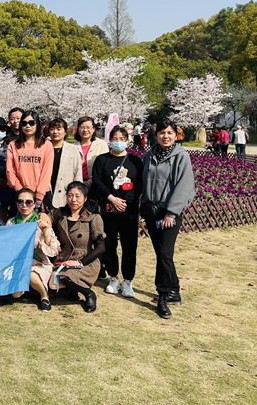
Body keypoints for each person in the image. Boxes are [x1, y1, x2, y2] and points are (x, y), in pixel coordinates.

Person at [141, 120, 195, 319]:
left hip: (169, 212)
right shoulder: (149, 155)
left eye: (170, 133)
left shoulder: (181, 156)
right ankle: (174, 289)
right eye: (162, 132)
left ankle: (163, 295)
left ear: (175, 135)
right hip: (152, 211)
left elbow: (185, 186)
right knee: (162, 254)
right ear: (156, 135)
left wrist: (171, 213)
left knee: (165, 253)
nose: (166, 136)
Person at [91, 126, 143, 299]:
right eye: (114, 138)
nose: (118, 142)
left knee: (129, 246)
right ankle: (113, 277)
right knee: (109, 244)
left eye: (122, 138)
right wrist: (111, 199)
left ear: (127, 140)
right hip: (108, 209)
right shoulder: (102, 159)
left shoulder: (135, 161)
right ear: (109, 140)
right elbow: (97, 181)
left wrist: (124, 203)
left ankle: (127, 280)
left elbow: (139, 185)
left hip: (128, 211)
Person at [44, 181, 105, 313]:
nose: (73, 199)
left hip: (86, 261)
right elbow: (46, 217)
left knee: (65, 277)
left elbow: (101, 247)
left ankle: (89, 294)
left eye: (78, 196)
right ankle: (71, 291)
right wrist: (43, 217)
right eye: (70, 195)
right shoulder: (59, 214)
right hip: (64, 259)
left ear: (85, 198)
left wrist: (80, 263)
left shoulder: (93, 218)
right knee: (52, 285)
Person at [8, 188, 59, 312]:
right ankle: (28, 290)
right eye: (20, 202)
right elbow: (8, 248)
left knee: (31, 275)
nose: (24, 205)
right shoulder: (11, 223)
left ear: (35, 204)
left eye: (28, 202)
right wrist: (26, 260)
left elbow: (54, 250)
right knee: (15, 295)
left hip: (40, 263)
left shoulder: (41, 222)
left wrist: (46, 232)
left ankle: (44, 296)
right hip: (18, 262)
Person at [6, 111, 54, 210]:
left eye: (31, 123)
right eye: (24, 123)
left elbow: (47, 171)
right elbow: (10, 170)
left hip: (41, 194)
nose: (28, 126)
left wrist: (39, 194)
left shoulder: (47, 145)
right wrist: (20, 191)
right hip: (19, 193)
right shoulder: (13, 145)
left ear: (37, 124)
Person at [44, 117, 82, 211]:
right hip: (46, 189)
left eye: (59, 129)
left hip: (65, 192)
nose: (55, 132)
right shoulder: (43, 148)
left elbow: (78, 173)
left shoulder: (72, 149)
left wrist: (78, 193)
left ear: (65, 132)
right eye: (52, 129)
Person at [73, 116, 109, 189]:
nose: (85, 130)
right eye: (82, 127)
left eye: (88, 127)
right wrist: (78, 181)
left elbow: (105, 166)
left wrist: (92, 180)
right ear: (78, 129)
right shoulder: (72, 146)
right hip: (77, 185)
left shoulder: (101, 145)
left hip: (97, 185)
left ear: (93, 129)